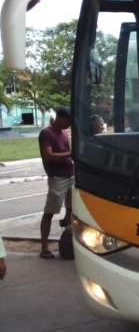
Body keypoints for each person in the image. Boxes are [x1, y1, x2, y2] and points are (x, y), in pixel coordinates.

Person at [38, 107, 74, 259]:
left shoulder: (64, 133)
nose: (69, 125)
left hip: (70, 175)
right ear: (61, 118)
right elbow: (48, 156)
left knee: (71, 209)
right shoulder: (46, 133)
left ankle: (68, 243)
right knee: (50, 212)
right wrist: (71, 154)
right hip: (57, 177)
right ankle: (44, 247)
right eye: (68, 121)